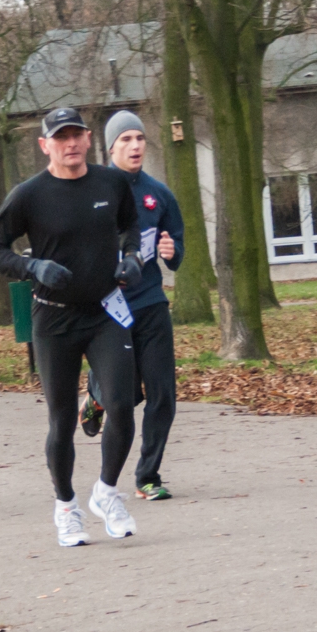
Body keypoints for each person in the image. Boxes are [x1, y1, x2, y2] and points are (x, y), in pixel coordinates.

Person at [0, 107, 144, 547]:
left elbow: (132, 225)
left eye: (77, 135)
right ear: (44, 145)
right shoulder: (29, 195)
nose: (70, 143)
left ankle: (107, 493)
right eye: (61, 137)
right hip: (53, 318)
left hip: (105, 311)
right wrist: (32, 266)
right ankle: (66, 506)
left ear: (89, 140)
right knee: (62, 420)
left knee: (123, 404)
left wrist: (132, 257)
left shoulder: (111, 183)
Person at [80, 112, 185, 501]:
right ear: (110, 148)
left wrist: (171, 252)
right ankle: (97, 395)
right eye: (125, 139)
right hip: (110, 307)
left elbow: (177, 251)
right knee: (126, 394)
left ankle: (147, 476)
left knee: (162, 394)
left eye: (139, 138)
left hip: (152, 303)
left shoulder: (159, 195)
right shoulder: (93, 191)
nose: (135, 145)